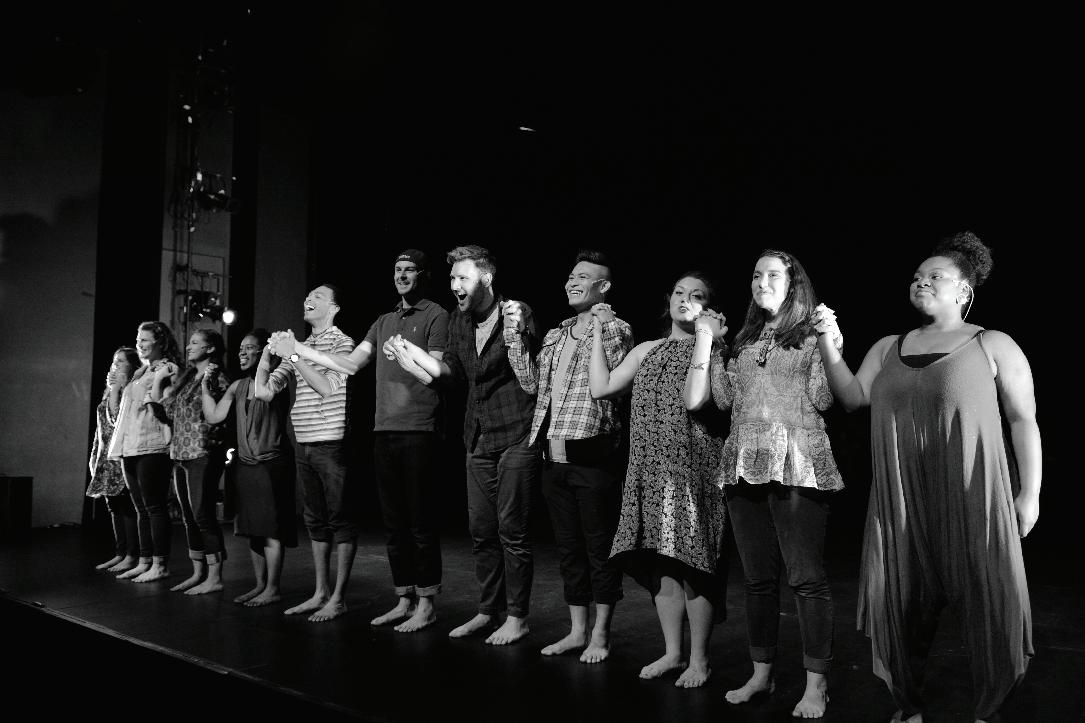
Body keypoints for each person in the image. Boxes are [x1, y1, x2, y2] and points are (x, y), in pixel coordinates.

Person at [812, 231, 1039, 723]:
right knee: (900, 603)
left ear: (964, 291)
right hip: (902, 498)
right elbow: (852, 398)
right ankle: (909, 706)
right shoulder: (887, 347)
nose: (922, 282)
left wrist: (1030, 495)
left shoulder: (992, 343)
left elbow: (1023, 421)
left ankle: (989, 710)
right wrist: (828, 342)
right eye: (917, 276)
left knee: (992, 601)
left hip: (974, 495)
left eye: (936, 276)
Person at [684, 249, 842, 718]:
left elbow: (824, 398)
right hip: (743, 461)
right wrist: (713, 347)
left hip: (798, 460)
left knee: (805, 578)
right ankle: (761, 674)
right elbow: (723, 399)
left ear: (793, 284)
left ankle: (816, 685)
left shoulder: (812, 334)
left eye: (773, 275)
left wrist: (829, 341)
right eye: (756, 275)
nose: (761, 282)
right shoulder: (746, 338)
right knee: (757, 580)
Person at [274, 249, 449, 632]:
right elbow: (351, 364)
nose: (402, 276)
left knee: (420, 521)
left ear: (423, 275)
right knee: (394, 523)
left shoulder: (436, 314)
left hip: (419, 429)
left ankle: (426, 603)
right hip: (383, 430)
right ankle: (404, 598)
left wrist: (406, 354)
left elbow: (435, 368)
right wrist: (298, 350)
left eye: (409, 270)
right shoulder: (383, 320)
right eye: (397, 270)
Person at [384, 245, 541, 645]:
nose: (455, 285)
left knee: (512, 531)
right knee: (482, 531)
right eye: (452, 278)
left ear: (486, 279)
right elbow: (451, 374)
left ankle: (517, 617)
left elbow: (530, 372)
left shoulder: (514, 312)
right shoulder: (458, 320)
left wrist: (517, 331)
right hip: (477, 434)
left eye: (463, 278)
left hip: (516, 431)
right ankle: (488, 611)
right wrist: (412, 357)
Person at [588, 271, 727, 688]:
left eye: (697, 295)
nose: (685, 299)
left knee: (693, 564)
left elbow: (705, 400)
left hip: (693, 469)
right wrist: (596, 332)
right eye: (679, 292)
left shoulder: (715, 349)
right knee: (660, 561)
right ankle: (672, 652)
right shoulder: (647, 349)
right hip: (648, 469)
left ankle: (699, 660)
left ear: (709, 308)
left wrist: (710, 339)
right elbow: (602, 387)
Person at [503, 249, 634, 663]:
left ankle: (600, 634)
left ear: (603, 286)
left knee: (599, 549)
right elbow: (531, 385)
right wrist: (514, 335)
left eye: (582, 277)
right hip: (553, 456)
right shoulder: (556, 334)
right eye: (571, 276)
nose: (572, 282)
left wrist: (601, 324)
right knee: (568, 550)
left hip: (593, 459)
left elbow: (614, 378)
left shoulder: (616, 328)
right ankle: (578, 631)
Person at [255, 284, 357, 622]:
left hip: (331, 441)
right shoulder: (300, 346)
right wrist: (268, 355)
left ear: (334, 308)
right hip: (303, 440)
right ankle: (320, 593)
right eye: (307, 296)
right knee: (314, 520)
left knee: (339, 519)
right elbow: (264, 392)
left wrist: (295, 354)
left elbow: (326, 387)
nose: (308, 300)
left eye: (317, 297)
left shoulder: (343, 343)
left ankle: (338, 598)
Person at [202, 328, 298, 607]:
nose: (242, 352)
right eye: (240, 348)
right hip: (246, 464)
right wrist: (206, 387)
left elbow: (263, 390)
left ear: (264, 351)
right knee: (253, 529)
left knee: (271, 529)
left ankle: (273, 588)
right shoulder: (237, 385)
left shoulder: (275, 380)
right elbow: (214, 416)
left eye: (249, 348)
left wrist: (271, 352)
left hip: (272, 463)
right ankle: (260, 585)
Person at [149, 328, 231, 595]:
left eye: (196, 343)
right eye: (190, 342)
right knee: (189, 517)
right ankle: (198, 573)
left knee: (202, 514)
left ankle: (215, 577)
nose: (188, 346)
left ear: (210, 348)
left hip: (203, 453)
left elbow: (221, 416)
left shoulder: (215, 377)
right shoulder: (187, 378)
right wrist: (158, 382)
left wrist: (212, 442)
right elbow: (166, 412)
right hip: (181, 453)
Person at [107, 321, 184, 583]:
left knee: (154, 507)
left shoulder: (168, 369)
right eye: (138, 340)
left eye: (145, 340)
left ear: (160, 342)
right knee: (140, 508)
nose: (139, 345)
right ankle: (144, 561)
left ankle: (160, 564)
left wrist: (159, 382)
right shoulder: (141, 371)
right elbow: (122, 413)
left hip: (152, 445)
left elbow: (167, 406)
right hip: (130, 445)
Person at [87, 346, 142, 572]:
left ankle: (132, 555)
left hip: (122, 455)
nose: (115, 365)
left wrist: (116, 390)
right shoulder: (109, 390)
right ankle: (120, 553)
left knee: (127, 507)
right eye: (114, 361)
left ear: (132, 365)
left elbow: (115, 419)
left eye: (121, 361)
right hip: (105, 457)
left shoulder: (130, 390)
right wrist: (94, 458)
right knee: (113, 506)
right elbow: (100, 428)